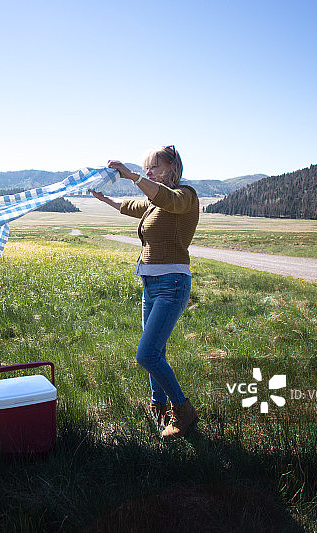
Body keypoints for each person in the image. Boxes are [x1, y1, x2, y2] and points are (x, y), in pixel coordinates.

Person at [89, 145, 199, 439]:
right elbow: (130, 206)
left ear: (172, 168)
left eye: (154, 167)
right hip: (150, 285)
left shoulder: (185, 196)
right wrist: (104, 198)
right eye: (145, 168)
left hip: (172, 284)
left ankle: (183, 409)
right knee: (156, 352)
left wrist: (132, 176)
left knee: (147, 355)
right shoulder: (153, 203)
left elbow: (167, 199)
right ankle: (158, 406)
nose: (148, 172)